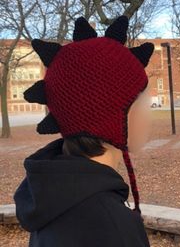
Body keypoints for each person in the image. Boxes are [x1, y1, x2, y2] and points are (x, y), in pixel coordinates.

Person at [13, 15, 154, 247]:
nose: (149, 114)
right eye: (142, 100)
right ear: (114, 114)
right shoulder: (112, 227)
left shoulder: (50, 198)